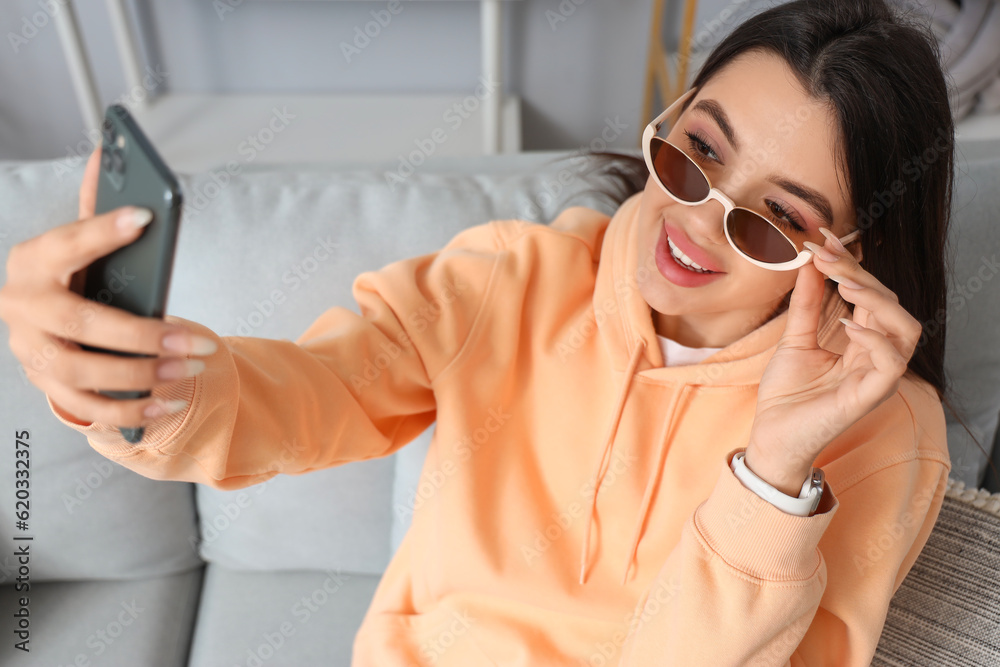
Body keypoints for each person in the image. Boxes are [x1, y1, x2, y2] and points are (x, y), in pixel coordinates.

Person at [0, 0, 990, 664]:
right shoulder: (514, 275)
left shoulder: (882, 436)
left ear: (853, 254)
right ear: (674, 113)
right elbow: (310, 392)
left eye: (776, 219)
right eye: (695, 153)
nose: (692, 219)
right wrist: (139, 376)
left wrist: (770, 477)